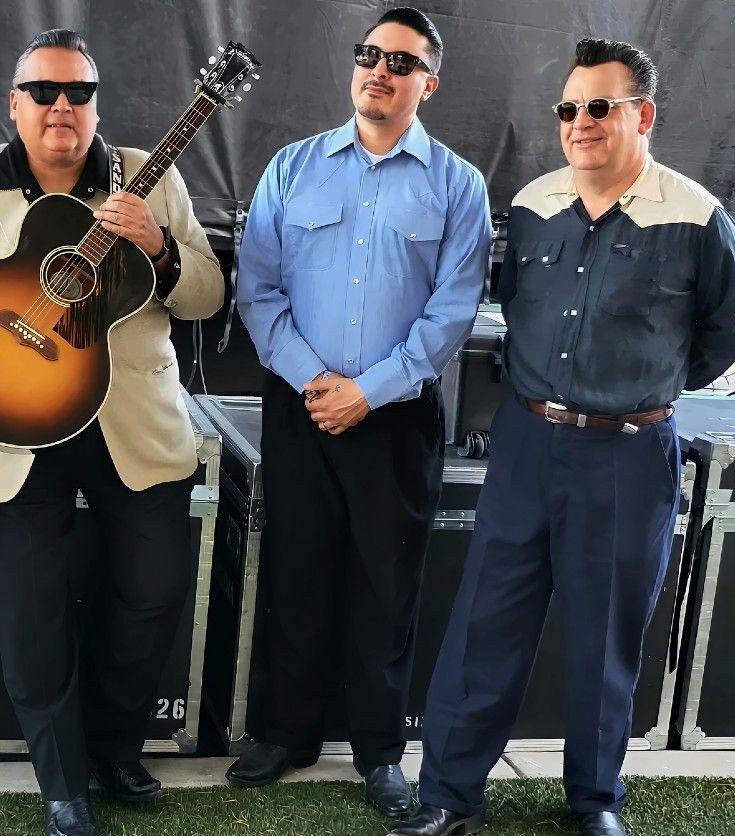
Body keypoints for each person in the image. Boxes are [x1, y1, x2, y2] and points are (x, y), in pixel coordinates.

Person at [392, 38, 735, 836]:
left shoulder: (696, 216)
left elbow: (726, 336)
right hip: (526, 445)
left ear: (642, 115)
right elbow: (510, 305)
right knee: (485, 623)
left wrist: (636, 388)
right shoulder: (530, 206)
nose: (578, 122)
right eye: (567, 108)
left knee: (604, 637)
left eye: (598, 106)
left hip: (628, 454)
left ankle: (594, 801)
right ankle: (449, 797)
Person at [0, 29, 223, 836]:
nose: (60, 106)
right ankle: (63, 785)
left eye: (77, 92)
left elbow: (207, 296)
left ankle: (111, 749)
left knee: (152, 594)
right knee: (30, 613)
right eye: (42, 91)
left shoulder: (151, 178)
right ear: (15, 103)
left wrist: (158, 247)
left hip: (131, 423)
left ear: (96, 104)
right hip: (9, 422)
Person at [230, 6, 492, 818]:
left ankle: (378, 752)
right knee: (296, 571)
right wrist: (317, 381)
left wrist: (368, 390)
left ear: (428, 83)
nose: (379, 70)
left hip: (397, 417)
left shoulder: (457, 185)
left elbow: (451, 312)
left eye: (400, 62)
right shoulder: (292, 167)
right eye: (369, 54)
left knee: (387, 587)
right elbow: (257, 289)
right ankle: (286, 733)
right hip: (302, 407)